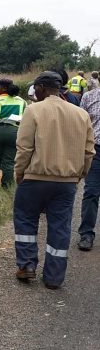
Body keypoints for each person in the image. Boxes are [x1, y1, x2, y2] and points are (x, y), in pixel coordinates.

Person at [13, 71, 94, 289]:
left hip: (35, 179)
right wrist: (79, 175)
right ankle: (54, 277)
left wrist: (19, 172)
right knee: (60, 227)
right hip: (67, 183)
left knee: (25, 220)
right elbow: (89, 152)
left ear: (40, 88)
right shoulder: (81, 114)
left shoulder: (33, 110)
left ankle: (27, 266)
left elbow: (24, 147)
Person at [77, 81, 100, 251]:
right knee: (91, 192)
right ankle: (86, 234)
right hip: (95, 151)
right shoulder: (88, 97)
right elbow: (81, 125)